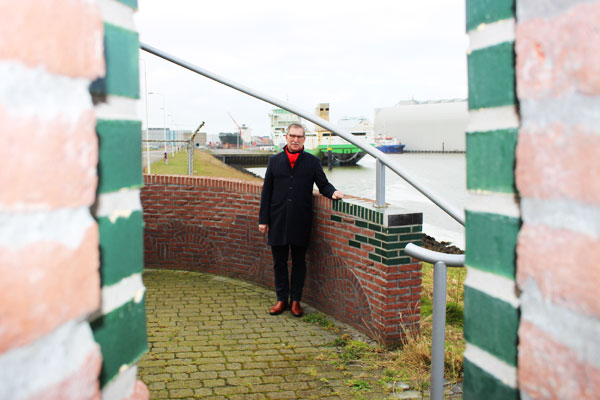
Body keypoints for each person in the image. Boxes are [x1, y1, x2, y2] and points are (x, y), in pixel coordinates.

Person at [259, 123, 343, 317]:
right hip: (277, 219)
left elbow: (323, 185)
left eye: (299, 136)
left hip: (301, 220)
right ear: (286, 137)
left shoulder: (312, 162)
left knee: (299, 262)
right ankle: (281, 300)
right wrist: (263, 220)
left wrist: (333, 192)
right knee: (279, 263)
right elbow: (266, 192)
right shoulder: (274, 161)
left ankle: (296, 301)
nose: (295, 139)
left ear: (304, 139)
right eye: (292, 136)